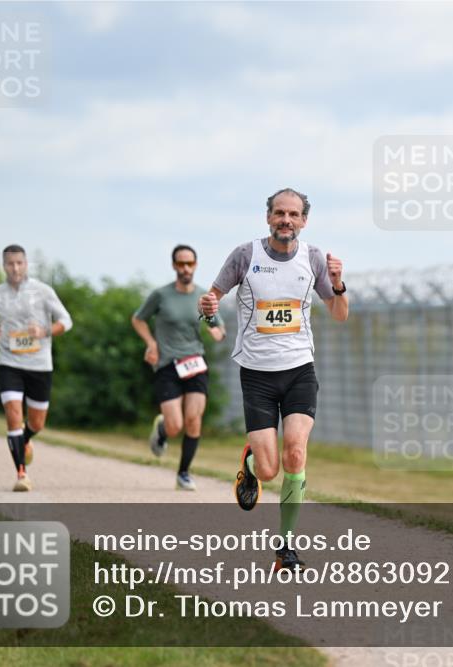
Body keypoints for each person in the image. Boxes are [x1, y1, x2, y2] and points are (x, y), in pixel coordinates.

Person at [199, 187, 348, 571]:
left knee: (295, 453)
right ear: (268, 217)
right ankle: (251, 465)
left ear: (304, 221)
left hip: (300, 370)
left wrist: (338, 283)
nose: (286, 220)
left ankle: (285, 549)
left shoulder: (313, 258)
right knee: (269, 470)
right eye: (280, 213)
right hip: (257, 376)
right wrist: (209, 308)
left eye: (293, 214)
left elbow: (339, 312)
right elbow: (212, 300)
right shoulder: (245, 255)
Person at [0, 245, 72, 492]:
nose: (15, 268)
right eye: (10, 263)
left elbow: (66, 321)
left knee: (37, 423)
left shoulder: (43, 291)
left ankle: (25, 439)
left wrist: (45, 331)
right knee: (13, 415)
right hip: (9, 362)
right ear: (4, 266)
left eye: (19, 263)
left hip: (40, 364)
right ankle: (21, 474)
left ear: (26, 264)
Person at [132, 244, 225, 491]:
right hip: (168, 365)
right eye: (181, 263)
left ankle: (183, 473)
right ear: (174, 265)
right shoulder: (161, 295)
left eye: (189, 263)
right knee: (176, 426)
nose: (185, 268)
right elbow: (138, 319)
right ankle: (163, 429)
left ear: (195, 265)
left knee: (193, 419)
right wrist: (151, 343)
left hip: (195, 363)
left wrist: (216, 331)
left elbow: (218, 326)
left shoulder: (203, 297)